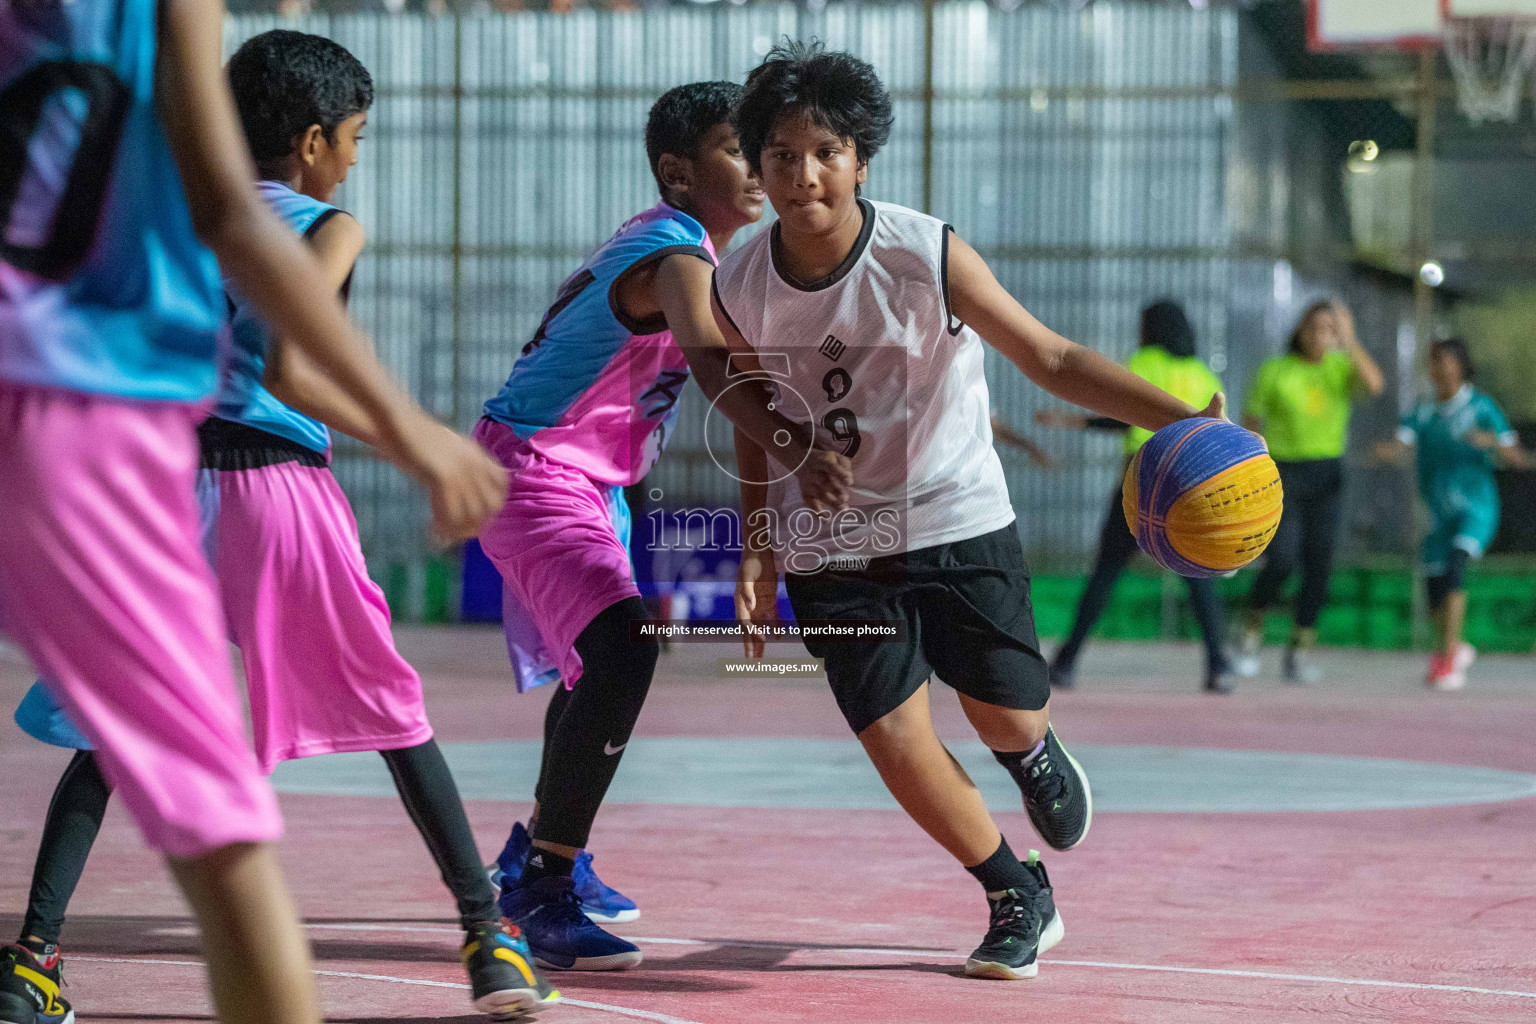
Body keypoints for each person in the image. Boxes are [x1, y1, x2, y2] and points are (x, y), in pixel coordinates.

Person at [2, 30, 556, 1023]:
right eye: (356, 135)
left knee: (115, 724)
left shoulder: (168, 211)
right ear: (311, 141)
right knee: (395, 714)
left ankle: (32, 960)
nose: (355, 154)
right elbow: (295, 374)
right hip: (271, 491)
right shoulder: (327, 225)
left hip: (156, 484)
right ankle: (489, 937)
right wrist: (415, 441)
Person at [719, 42, 1229, 982]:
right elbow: (748, 406)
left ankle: (1030, 750)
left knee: (1000, 712)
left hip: (956, 516)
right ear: (759, 165)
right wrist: (759, 538)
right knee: (896, 737)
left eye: (824, 152)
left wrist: (1180, 420)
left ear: (860, 159)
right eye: (781, 156)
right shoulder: (740, 278)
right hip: (833, 545)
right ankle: (1013, 890)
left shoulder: (923, 253)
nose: (803, 176)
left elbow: (1053, 358)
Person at [477, 80, 848, 972]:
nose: (762, 169)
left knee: (592, 661)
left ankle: (539, 852)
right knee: (627, 646)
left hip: (586, 477)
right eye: (740, 150)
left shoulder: (692, 252)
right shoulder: (677, 255)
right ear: (679, 173)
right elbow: (721, 369)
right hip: (536, 469)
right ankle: (541, 891)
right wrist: (799, 444)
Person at [1036, 300, 1235, 693]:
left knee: (1106, 572)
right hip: (1190, 489)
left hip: (1144, 482)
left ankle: (1066, 662)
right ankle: (1219, 665)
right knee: (1198, 578)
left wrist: (1071, 420)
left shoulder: (1145, 361)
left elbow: (1121, 410)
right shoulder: (1202, 373)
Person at [1233, 299, 1384, 684]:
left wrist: (1349, 339)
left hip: (1326, 474)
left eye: (1329, 329)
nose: (1320, 335)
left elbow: (1374, 384)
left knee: (1320, 563)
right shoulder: (1276, 371)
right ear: (1300, 329)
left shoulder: (1339, 368)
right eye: (1314, 327)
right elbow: (1251, 422)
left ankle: (1299, 650)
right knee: (1282, 558)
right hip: (1283, 472)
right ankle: (1251, 629)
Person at [1373, 338, 1529, 690]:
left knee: (1457, 568)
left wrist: (1493, 443)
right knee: (1434, 595)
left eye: (1445, 361)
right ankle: (1454, 646)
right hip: (1437, 515)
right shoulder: (1423, 410)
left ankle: (1446, 659)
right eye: (1433, 362)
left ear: (1461, 365)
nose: (1438, 368)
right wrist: (1386, 452)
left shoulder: (1482, 408)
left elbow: (1513, 455)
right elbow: (1401, 442)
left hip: (1476, 509)